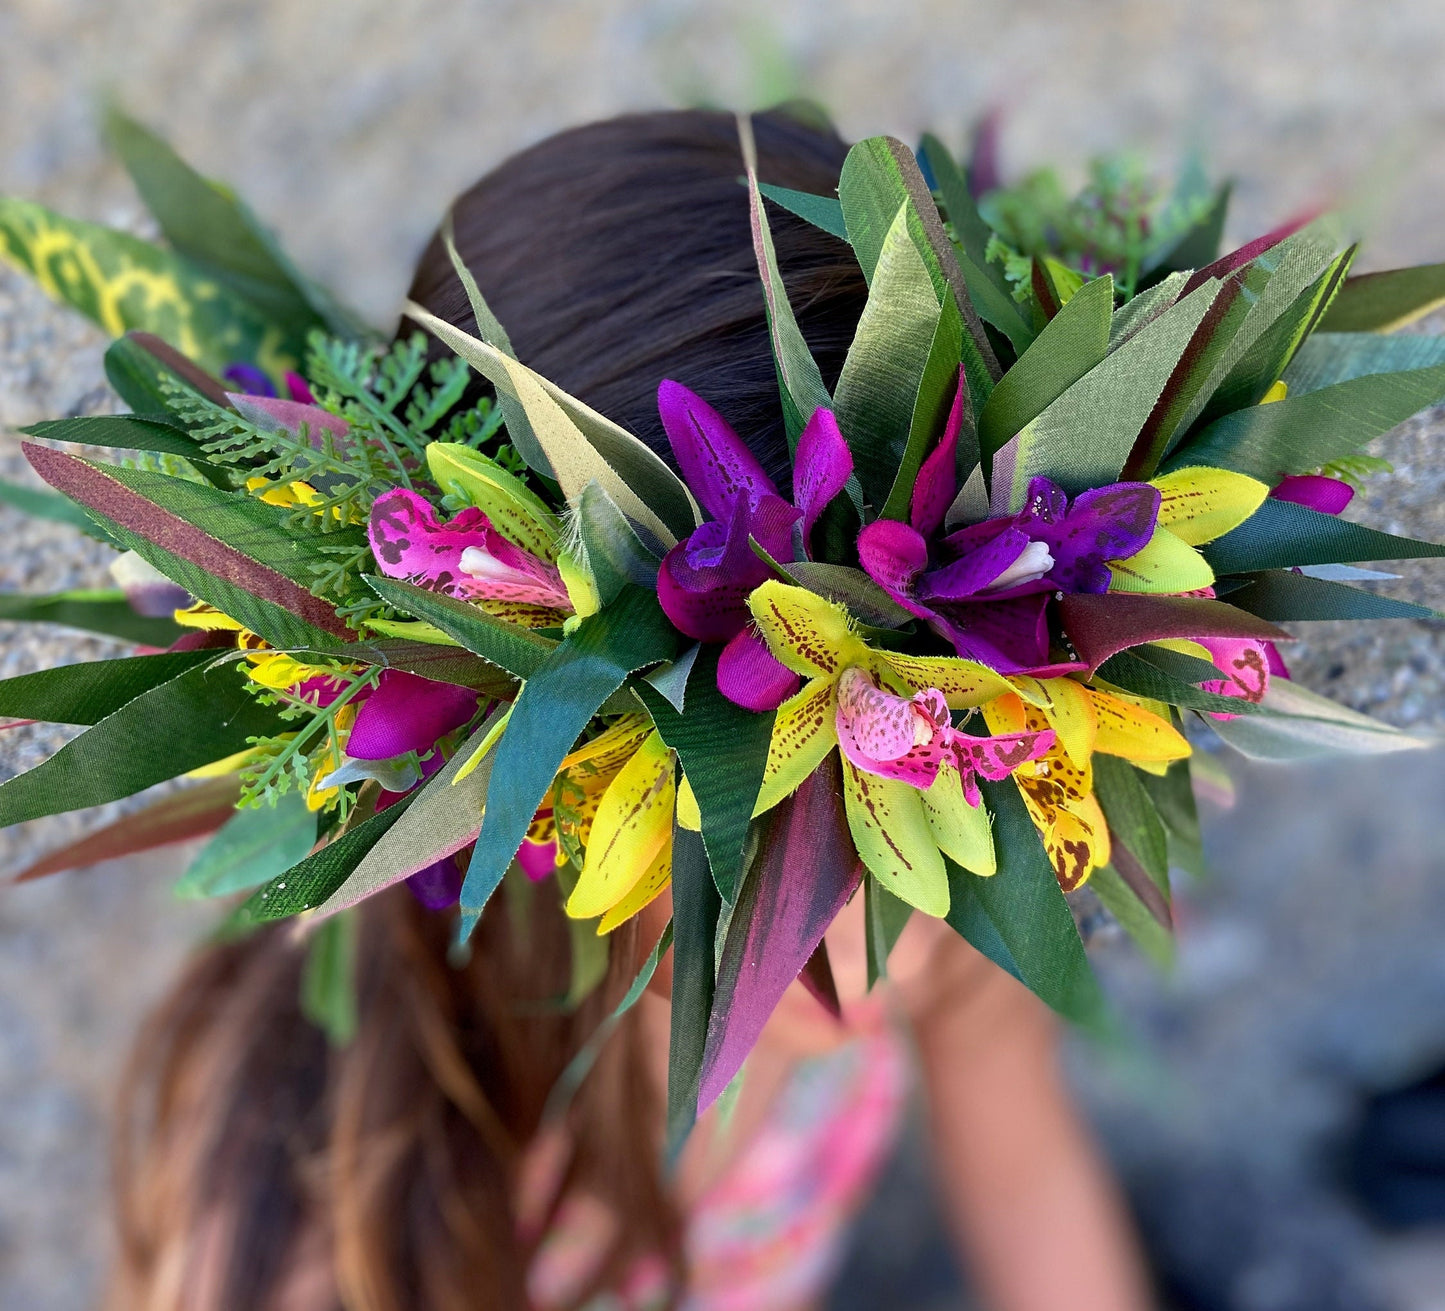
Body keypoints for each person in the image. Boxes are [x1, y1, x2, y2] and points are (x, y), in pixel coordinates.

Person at [110, 109, 1153, 1311]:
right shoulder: (319, 1217)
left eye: (965, 763)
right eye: (766, 822)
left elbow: (1026, 1179)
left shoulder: (936, 920)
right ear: (545, 769)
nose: (912, 908)